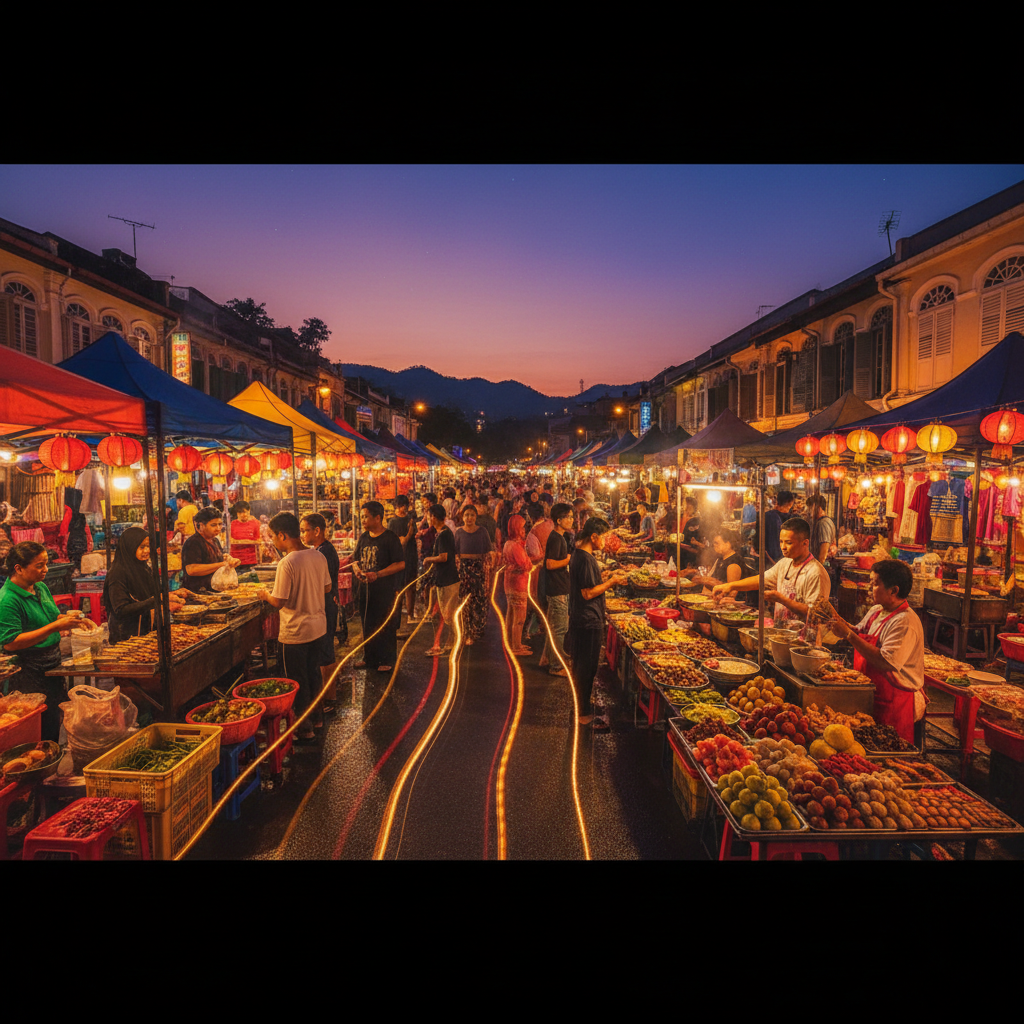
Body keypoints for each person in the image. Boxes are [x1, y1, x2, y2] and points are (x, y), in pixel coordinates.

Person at [0, 542, 99, 740]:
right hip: (27, 671)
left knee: (54, 717)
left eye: (46, 564)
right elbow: (10, 642)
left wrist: (74, 621)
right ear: (18, 568)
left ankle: (51, 756)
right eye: (39, 565)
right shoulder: (7, 600)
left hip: (51, 664)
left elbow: (52, 617)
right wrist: (54, 628)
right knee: (34, 726)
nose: (45, 569)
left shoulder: (40, 587)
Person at [829, 559, 925, 745]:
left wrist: (848, 634)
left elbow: (886, 662)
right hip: (872, 693)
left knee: (889, 752)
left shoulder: (905, 622)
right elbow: (859, 632)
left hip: (894, 701)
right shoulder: (876, 610)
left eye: (874, 584)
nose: (868, 588)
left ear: (894, 590)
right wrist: (835, 618)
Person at [259, 512, 332, 739]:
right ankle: (317, 719)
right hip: (318, 628)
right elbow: (327, 588)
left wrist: (264, 594)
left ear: (282, 535)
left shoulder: (287, 562)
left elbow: (278, 601)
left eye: (272, 536)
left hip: (295, 633)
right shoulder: (317, 556)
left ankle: (304, 728)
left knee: (297, 681)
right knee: (313, 675)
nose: (272, 541)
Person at [713, 516, 831, 628]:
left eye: (788, 543)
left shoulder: (816, 573)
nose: (783, 547)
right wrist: (730, 586)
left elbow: (816, 614)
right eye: (781, 542)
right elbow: (760, 580)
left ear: (805, 543)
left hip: (804, 643)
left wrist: (781, 599)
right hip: (781, 634)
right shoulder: (785, 563)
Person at [566, 519, 628, 731]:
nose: (605, 541)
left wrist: (607, 576)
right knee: (585, 667)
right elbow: (588, 592)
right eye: (603, 536)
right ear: (593, 537)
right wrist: (612, 582)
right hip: (587, 620)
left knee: (585, 667)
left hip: (583, 617)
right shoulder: (584, 559)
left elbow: (590, 584)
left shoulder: (581, 555)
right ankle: (583, 715)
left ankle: (583, 705)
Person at [346, 501, 406, 673]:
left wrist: (378, 574)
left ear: (378, 518)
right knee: (368, 624)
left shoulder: (390, 538)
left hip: (384, 590)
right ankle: (369, 658)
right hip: (365, 590)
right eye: (362, 517)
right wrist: (357, 571)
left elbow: (400, 564)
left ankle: (387, 659)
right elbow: (356, 560)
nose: (362, 520)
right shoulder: (364, 537)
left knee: (385, 624)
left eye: (366, 517)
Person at [102, 526, 188, 645]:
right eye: (142, 547)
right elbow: (121, 609)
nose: (147, 550)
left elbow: (150, 596)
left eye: (148, 546)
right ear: (130, 547)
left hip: (146, 632)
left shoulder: (143, 568)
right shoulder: (118, 573)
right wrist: (157, 600)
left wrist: (171, 595)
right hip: (126, 638)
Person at [300, 513, 341, 712]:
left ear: (317, 531)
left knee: (326, 652)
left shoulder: (323, 552)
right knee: (322, 651)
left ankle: (330, 698)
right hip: (324, 604)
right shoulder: (321, 550)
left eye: (305, 530)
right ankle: (326, 695)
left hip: (325, 605)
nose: (303, 535)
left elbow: (322, 584)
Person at [421, 504, 459, 656]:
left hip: (448, 580)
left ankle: (452, 643)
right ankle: (449, 643)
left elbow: (444, 557)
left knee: (448, 616)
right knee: (442, 614)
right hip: (442, 579)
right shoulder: (441, 533)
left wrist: (428, 559)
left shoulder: (444, 534)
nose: (428, 519)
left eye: (429, 516)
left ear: (434, 518)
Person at [540, 503, 573, 676]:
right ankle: (556, 666)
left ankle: (548, 657)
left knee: (554, 627)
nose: (572, 519)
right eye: (568, 517)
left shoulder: (560, 536)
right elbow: (550, 564)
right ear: (559, 520)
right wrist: (569, 559)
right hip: (557, 588)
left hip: (558, 587)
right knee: (560, 628)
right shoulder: (556, 538)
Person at [454, 504, 492, 645]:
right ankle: (466, 631)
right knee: (465, 602)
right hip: (464, 569)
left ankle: (476, 630)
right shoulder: (458, 532)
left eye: (472, 515)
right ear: (462, 517)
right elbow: (455, 552)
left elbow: (488, 550)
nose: (469, 518)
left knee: (479, 600)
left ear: (476, 517)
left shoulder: (482, 531)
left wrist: (491, 559)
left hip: (479, 568)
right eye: (466, 515)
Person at [181, 508, 240, 592]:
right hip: (198, 592)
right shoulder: (193, 542)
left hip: (215, 591)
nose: (218, 528)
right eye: (213, 525)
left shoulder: (215, 541)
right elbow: (191, 570)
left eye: (220, 524)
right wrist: (223, 564)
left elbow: (214, 559)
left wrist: (228, 558)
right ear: (201, 525)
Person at [502, 514, 533, 656]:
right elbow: (525, 565)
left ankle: (511, 643)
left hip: (509, 583)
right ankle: (516, 646)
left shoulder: (508, 544)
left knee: (511, 614)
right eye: (521, 527)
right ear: (515, 528)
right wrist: (532, 561)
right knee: (519, 618)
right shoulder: (515, 546)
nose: (524, 530)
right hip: (518, 584)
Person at [387, 495, 419, 635]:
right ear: (396, 506)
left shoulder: (410, 520)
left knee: (411, 585)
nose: (403, 508)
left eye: (405, 506)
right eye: (401, 506)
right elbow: (397, 540)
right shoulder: (392, 522)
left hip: (411, 555)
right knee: (399, 587)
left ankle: (410, 614)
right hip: (398, 557)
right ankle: (397, 616)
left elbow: (413, 536)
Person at [764, 490, 795, 564]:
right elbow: (774, 546)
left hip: (766, 560)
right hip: (774, 562)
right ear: (790, 503)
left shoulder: (767, 515)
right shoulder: (774, 518)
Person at [228, 501, 260, 568]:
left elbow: (259, 541)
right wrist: (250, 542)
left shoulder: (256, 523)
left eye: (245, 512)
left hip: (252, 561)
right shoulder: (232, 524)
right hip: (235, 560)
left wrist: (239, 542)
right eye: (240, 513)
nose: (243, 514)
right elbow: (230, 541)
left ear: (249, 511)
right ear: (237, 513)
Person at [807, 494, 837, 563]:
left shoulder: (823, 523)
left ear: (818, 508)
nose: (809, 511)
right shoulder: (826, 521)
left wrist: (818, 567)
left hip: (823, 565)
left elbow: (824, 546)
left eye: (811, 507)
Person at [679, 496, 703, 569]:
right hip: (683, 549)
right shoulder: (683, 517)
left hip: (691, 553)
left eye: (684, 504)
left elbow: (689, 538)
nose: (682, 506)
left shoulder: (695, 521)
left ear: (690, 505)